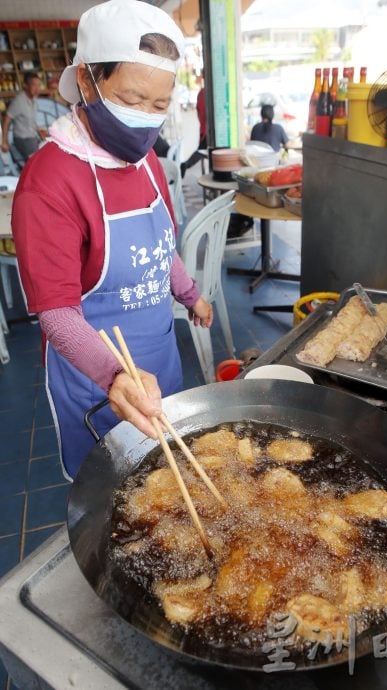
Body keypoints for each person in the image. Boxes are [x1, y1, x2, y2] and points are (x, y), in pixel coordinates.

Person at [12, 0, 213, 481]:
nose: (146, 117)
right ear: (86, 81)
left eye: (159, 105)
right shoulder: (49, 181)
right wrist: (114, 377)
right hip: (98, 383)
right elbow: (56, 313)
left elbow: (158, 248)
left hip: (160, 361)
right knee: (120, 496)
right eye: (132, 99)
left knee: (172, 481)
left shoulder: (143, 160)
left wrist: (191, 295)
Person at [1, 72, 43, 161]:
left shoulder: (34, 99)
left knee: (47, 151)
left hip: (32, 137)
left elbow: (32, 120)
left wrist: (40, 132)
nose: (37, 88)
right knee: (36, 160)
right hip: (22, 139)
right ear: (26, 86)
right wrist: (4, 141)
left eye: (38, 85)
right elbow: (6, 119)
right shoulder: (18, 101)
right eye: (34, 85)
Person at [180, 72, 207, 177]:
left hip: (204, 129)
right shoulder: (207, 93)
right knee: (201, 151)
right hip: (208, 131)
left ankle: (186, 165)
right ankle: (185, 165)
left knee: (201, 151)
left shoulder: (201, 93)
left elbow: (199, 112)